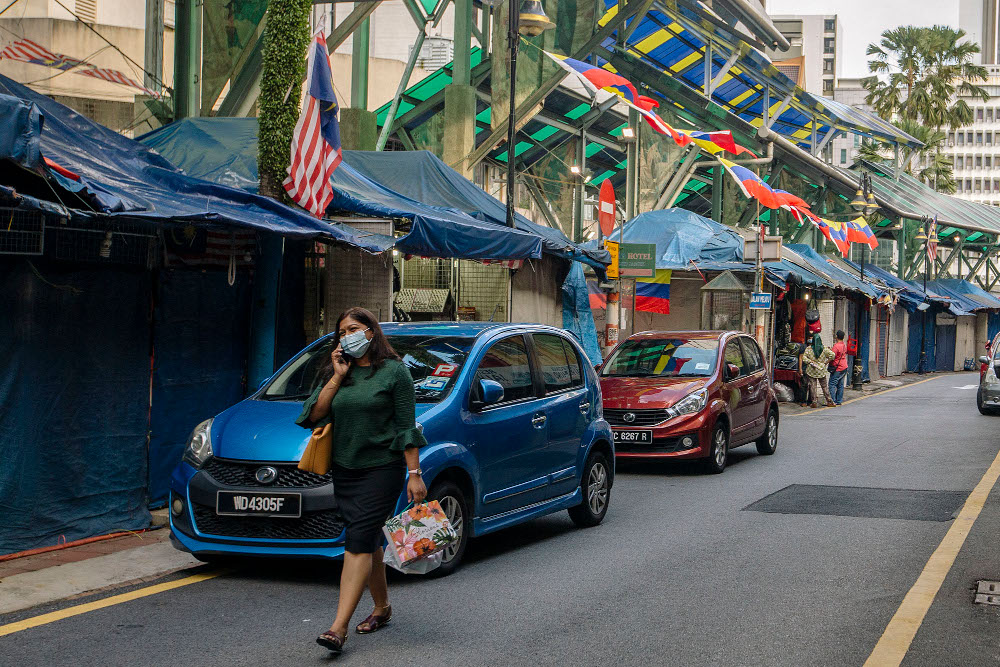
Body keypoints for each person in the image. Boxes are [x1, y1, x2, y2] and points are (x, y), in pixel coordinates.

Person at [296, 307, 427, 656]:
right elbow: (313, 414)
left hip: (382, 470)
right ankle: (382, 608)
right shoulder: (339, 371)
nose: (346, 336)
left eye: (353, 328)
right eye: (341, 331)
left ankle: (338, 628)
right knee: (369, 542)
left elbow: (406, 427)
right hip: (345, 470)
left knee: (356, 541)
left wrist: (414, 474)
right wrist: (337, 376)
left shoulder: (395, 373)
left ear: (370, 332)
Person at [802, 334, 835, 408]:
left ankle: (814, 402)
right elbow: (833, 355)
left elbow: (804, 358)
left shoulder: (809, 349)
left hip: (811, 370)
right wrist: (826, 362)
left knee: (813, 386)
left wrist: (810, 361)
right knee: (824, 386)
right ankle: (829, 401)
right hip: (821, 370)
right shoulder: (824, 349)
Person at [828, 330, 849, 406]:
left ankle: (833, 400)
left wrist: (826, 362)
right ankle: (839, 400)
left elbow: (832, 356)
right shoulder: (843, 345)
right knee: (840, 384)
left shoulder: (836, 346)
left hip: (837, 367)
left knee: (832, 384)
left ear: (836, 336)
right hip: (844, 366)